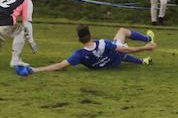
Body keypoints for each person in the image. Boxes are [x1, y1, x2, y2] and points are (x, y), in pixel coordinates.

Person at [27, 25, 155, 73]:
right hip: (115, 60)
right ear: (91, 35)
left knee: (118, 50)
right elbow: (126, 50)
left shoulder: (79, 55)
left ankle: (142, 61)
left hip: (106, 66)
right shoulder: (103, 43)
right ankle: (147, 39)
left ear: (79, 40)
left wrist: (35, 69)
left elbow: (60, 66)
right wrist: (144, 48)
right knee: (122, 32)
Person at [0, 0, 38, 67]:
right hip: (4, 21)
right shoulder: (27, 0)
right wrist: (31, 41)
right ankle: (15, 60)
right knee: (21, 31)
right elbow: (27, 23)